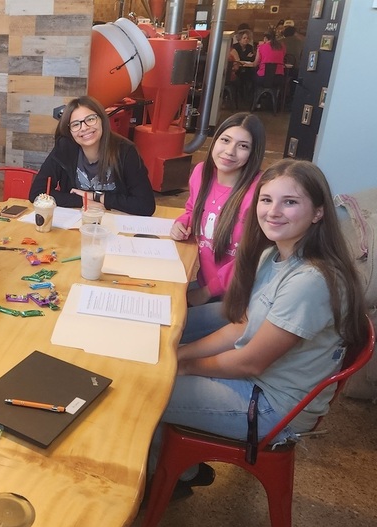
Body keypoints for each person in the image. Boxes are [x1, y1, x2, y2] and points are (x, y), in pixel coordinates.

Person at [152, 159, 369, 497]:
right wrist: (175, 355)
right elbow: (241, 326)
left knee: (145, 391)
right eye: (266, 200)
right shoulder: (275, 255)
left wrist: (182, 366)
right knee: (159, 368)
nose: (273, 211)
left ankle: (159, 480)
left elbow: (250, 362)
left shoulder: (311, 281)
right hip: (257, 383)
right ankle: (180, 469)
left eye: (290, 202)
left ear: (318, 212)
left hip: (272, 406)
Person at [171, 113, 266, 343]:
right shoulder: (201, 172)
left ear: (254, 153)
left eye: (242, 146)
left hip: (238, 299)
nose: (230, 151)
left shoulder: (259, 192)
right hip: (206, 285)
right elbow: (192, 209)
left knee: (167, 329)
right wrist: (182, 223)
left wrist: (204, 293)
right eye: (225, 140)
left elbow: (251, 257)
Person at [28, 95, 155, 216]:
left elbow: (145, 205)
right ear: (70, 131)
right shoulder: (65, 149)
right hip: (76, 221)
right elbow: (37, 193)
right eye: (76, 124)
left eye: (90, 119)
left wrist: (97, 197)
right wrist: (84, 201)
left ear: (102, 119)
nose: (84, 128)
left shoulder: (125, 151)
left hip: (115, 222)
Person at [229, 29, 255, 101]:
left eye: (247, 38)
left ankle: (247, 96)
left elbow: (252, 58)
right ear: (239, 39)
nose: (246, 40)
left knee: (251, 75)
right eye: (244, 38)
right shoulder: (235, 47)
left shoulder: (250, 47)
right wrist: (247, 57)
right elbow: (238, 59)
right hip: (236, 69)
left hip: (247, 68)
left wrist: (247, 58)